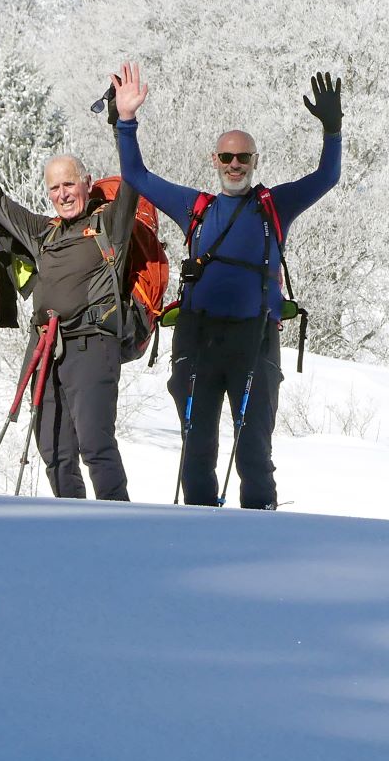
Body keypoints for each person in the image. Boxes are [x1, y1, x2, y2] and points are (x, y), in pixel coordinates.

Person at [114, 62, 342, 509]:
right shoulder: (194, 207)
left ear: (255, 162)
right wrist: (126, 120)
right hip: (197, 338)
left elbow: (327, 178)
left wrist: (332, 132)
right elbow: (136, 176)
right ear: (213, 161)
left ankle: (258, 532)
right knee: (197, 449)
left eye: (243, 158)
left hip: (255, 339)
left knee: (255, 451)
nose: (234, 165)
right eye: (226, 157)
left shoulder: (275, 205)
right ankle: (201, 535)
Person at [0, 90, 138, 500]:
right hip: (44, 347)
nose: (62, 193)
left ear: (87, 184)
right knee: (54, 450)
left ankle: (122, 526)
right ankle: (71, 523)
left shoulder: (109, 226)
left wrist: (123, 125)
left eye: (69, 184)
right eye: (54, 187)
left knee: (95, 445)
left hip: (92, 344)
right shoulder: (43, 233)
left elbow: (134, 179)